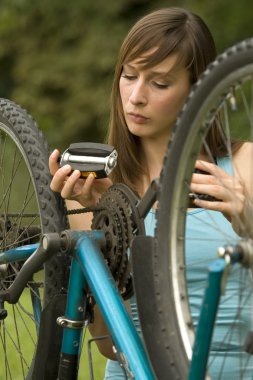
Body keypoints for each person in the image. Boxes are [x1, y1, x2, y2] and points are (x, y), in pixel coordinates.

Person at [49, 7, 253, 379]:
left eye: (159, 83)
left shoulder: (244, 165)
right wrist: (106, 227)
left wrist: (249, 221)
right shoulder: (90, 190)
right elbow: (110, 345)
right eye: (129, 76)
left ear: (198, 90)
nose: (136, 96)